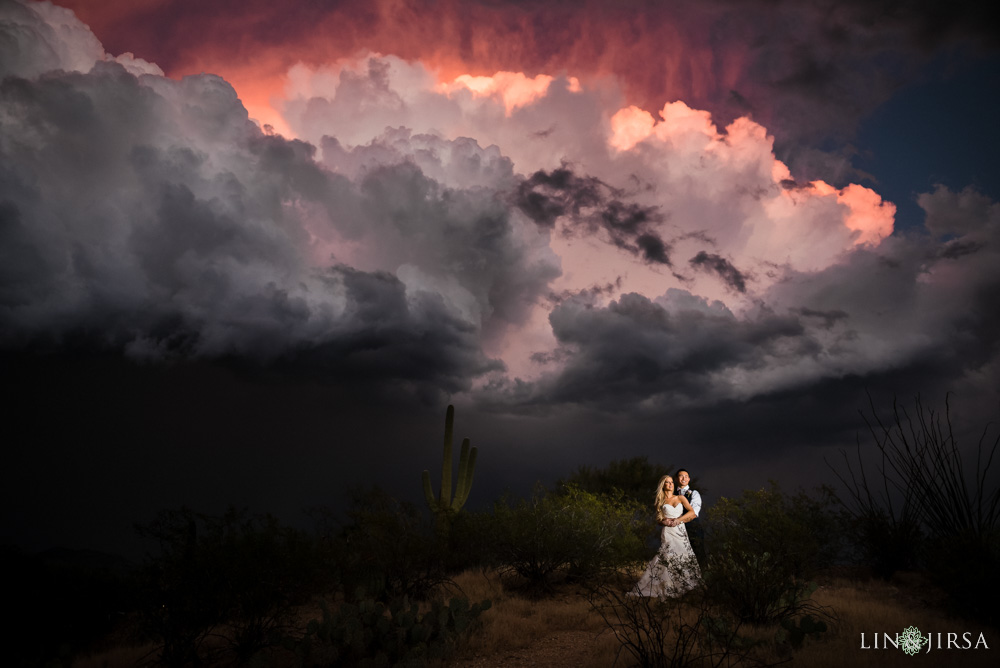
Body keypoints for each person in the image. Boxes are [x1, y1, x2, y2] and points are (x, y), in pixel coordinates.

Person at [630, 475, 701, 597]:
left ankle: (685, 586)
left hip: (680, 530)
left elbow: (692, 512)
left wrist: (679, 520)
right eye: (667, 483)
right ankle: (668, 587)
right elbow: (659, 519)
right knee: (667, 556)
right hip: (668, 531)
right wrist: (664, 522)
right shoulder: (660, 501)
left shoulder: (680, 497)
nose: (671, 484)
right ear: (663, 485)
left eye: (672, 482)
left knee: (684, 554)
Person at [674, 468, 705, 562]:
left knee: (698, 554)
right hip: (676, 531)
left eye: (686, 476)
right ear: (676, 479)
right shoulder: (671, 495)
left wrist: (678, 521)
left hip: (693, 528)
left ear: (689, 479)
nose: (684, 478)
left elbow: (694, 513)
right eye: (681, 476)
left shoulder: (694, 494)